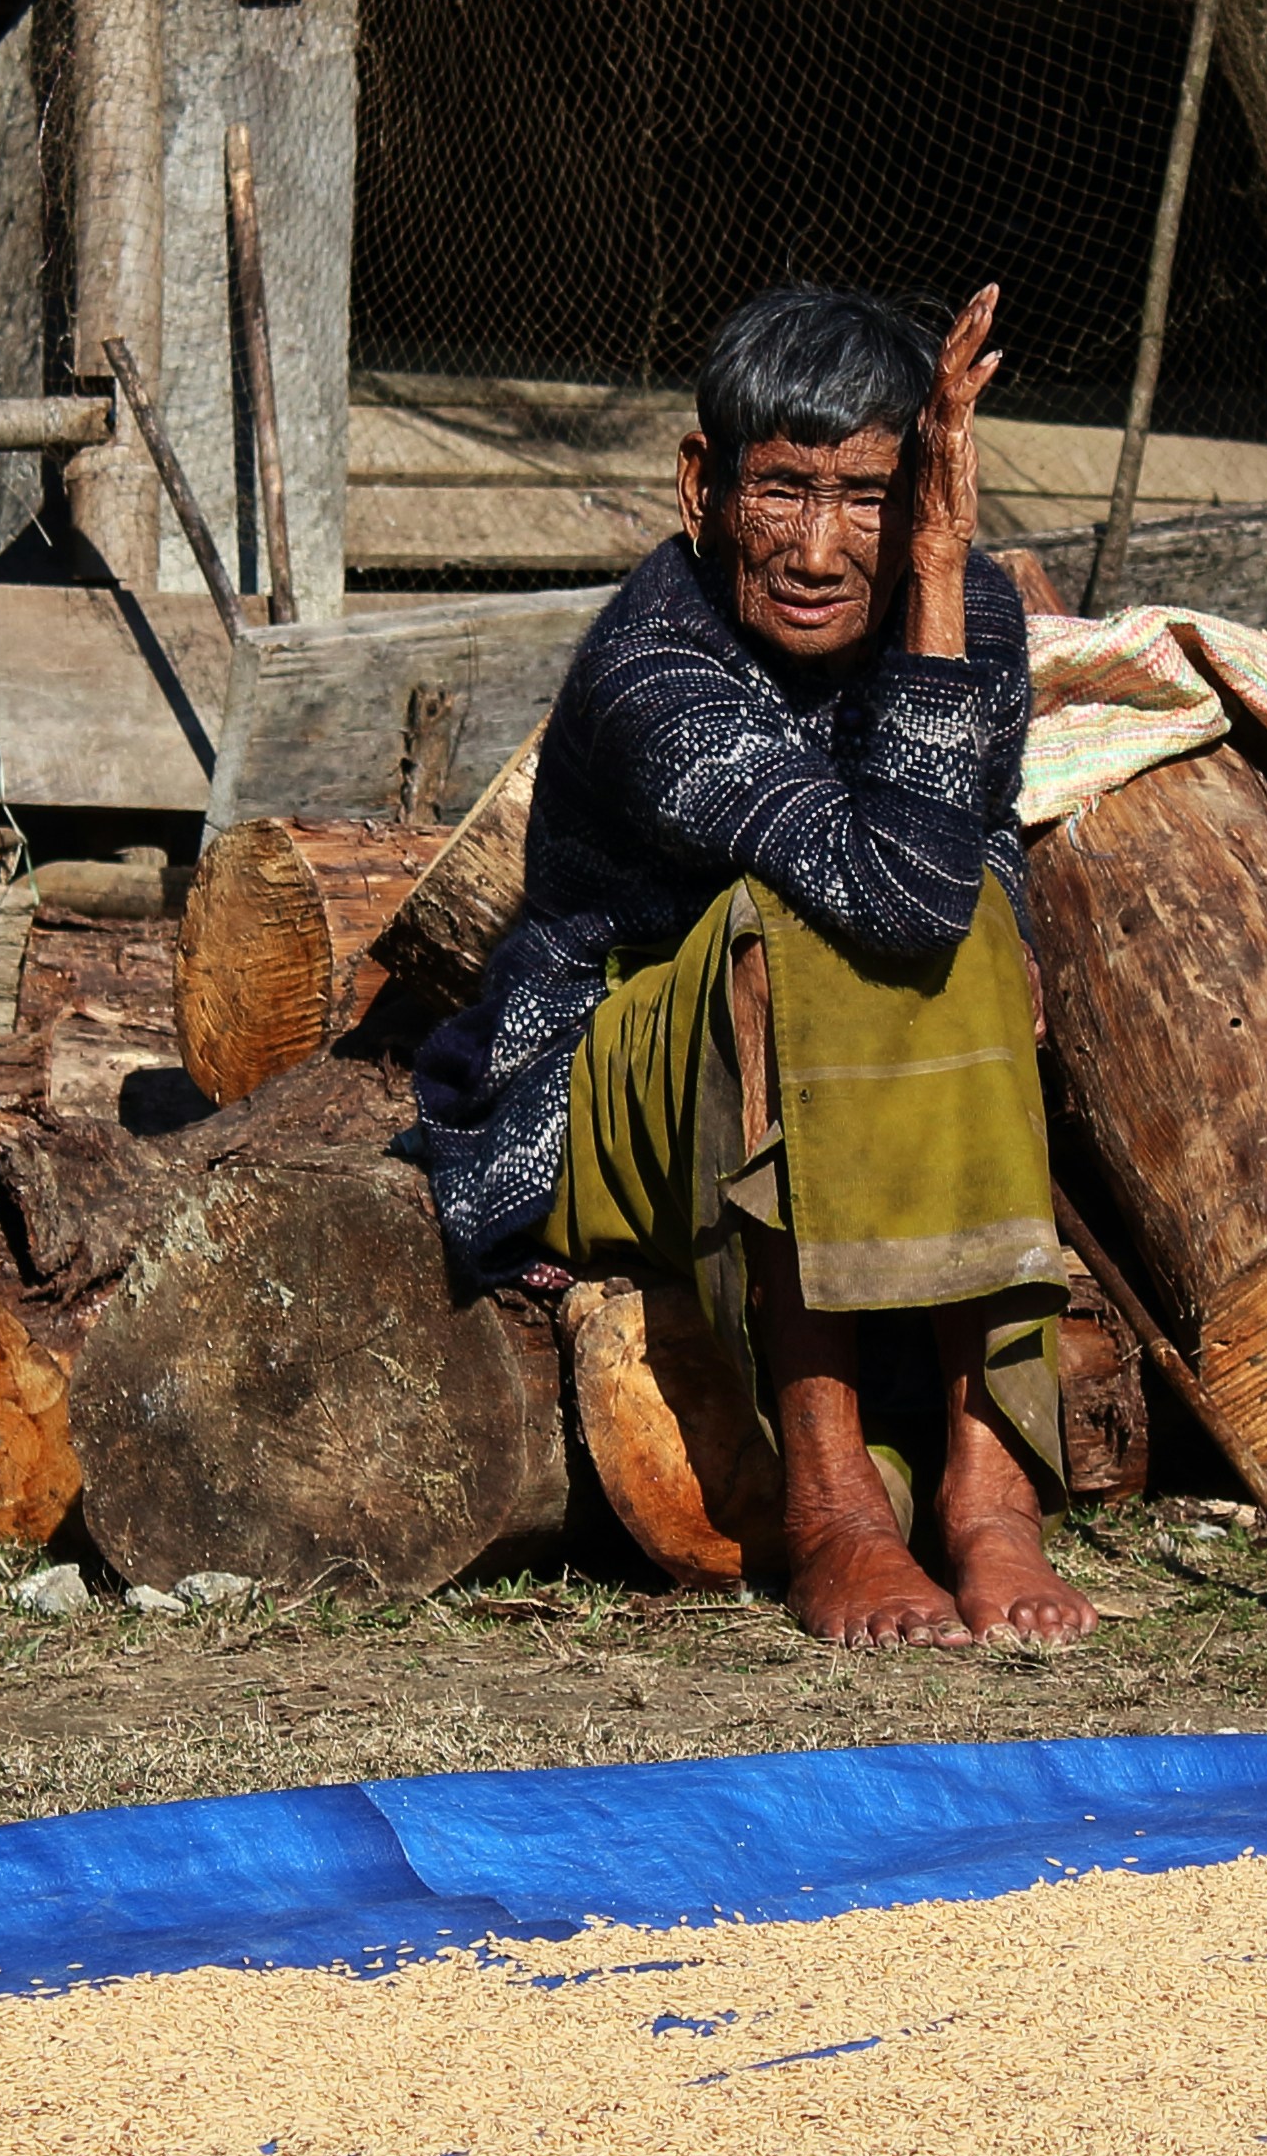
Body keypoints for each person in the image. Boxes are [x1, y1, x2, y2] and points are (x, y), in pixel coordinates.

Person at [414, 281, 1095, 1652]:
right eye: (783, 490)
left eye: (871, 498)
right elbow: (891, 896)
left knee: (967, 908)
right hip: (605, 1090)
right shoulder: (653, 665)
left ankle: (987, 1483)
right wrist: (934, 557)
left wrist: (1009, 923)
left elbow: (978, 838)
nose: (821, 551)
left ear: (923, 500)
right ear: (704, 489)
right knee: (805, 922)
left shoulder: (965, 607)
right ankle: (834, 1503)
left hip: (851, 1063)